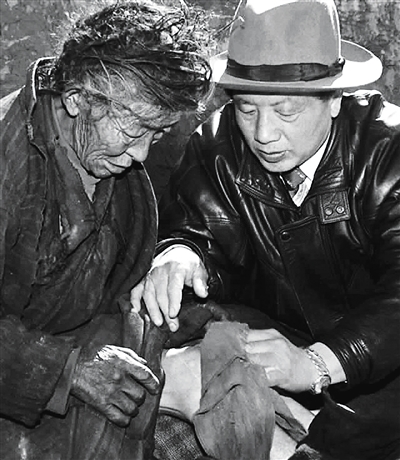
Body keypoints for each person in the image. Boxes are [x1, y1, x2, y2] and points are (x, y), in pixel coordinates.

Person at [131, 0, 400, 459]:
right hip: (283, 350)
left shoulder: (389, 151)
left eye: (285, 111)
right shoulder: (216, 147)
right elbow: (198, 232)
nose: (264, 134)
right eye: (247, 109)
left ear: (335, 99)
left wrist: (316, 363)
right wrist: (180, 253)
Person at [0, 1, 213, 459]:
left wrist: (165, 267)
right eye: (136, 129)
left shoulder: (112, 160)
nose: (142, 154)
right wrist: (69, 372)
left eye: (158, 133)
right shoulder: (8, 162)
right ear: (77, 97)